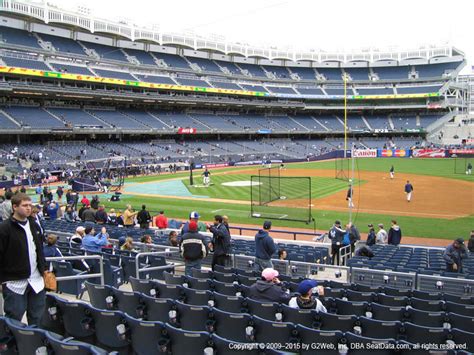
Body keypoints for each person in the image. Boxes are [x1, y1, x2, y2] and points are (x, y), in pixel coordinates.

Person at [0, 193, 46, 325]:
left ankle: (35, 344)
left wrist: (44, 270)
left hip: (37, 281)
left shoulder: (34, 225)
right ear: (14, 207)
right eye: (25, 205)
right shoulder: (4, 228)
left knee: (37, 319)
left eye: (30, 205)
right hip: (14, 283)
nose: (28, 208)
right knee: (13, 320)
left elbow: (39, 251)